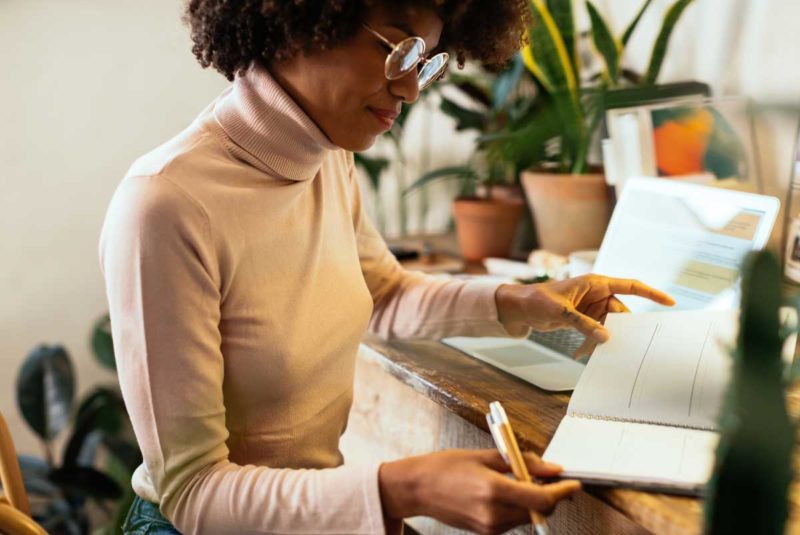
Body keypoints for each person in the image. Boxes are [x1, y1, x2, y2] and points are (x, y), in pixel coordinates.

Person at [99, 1, 675, 534]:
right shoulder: (165, 205)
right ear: (301, 21)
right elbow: (194, 493)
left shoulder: (327, 155)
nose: (409, 89)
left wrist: (525, 301)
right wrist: (406, 489)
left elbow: (385, 294)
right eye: (396, 51)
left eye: (425, 63)